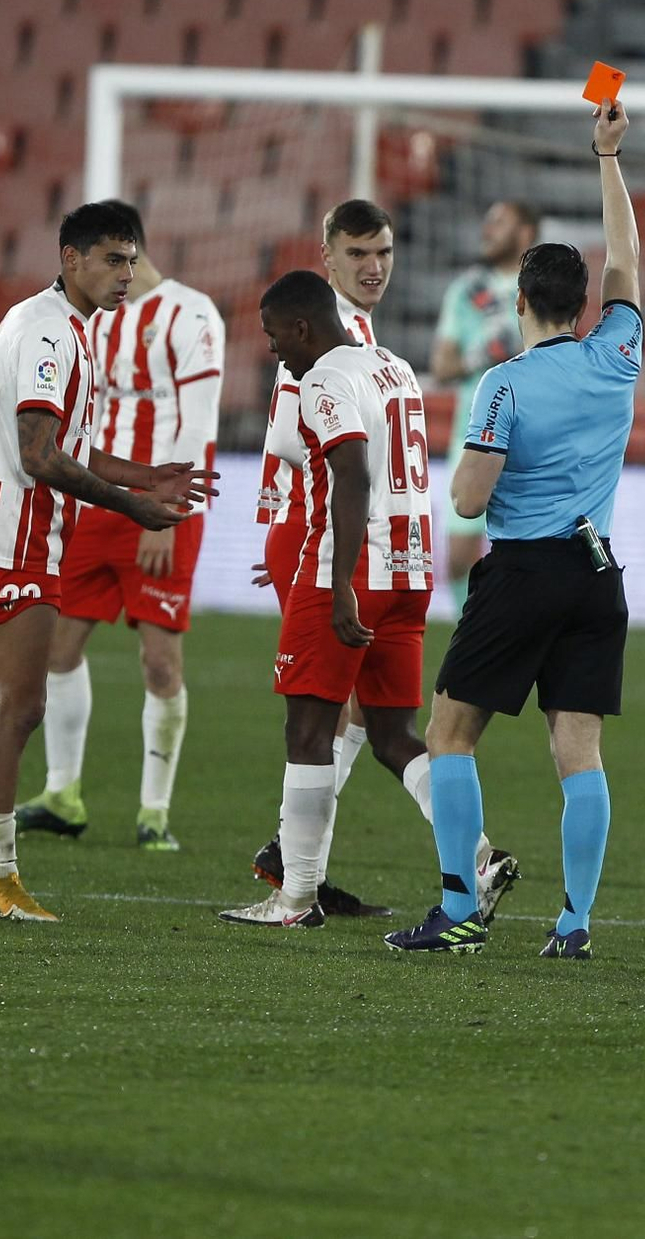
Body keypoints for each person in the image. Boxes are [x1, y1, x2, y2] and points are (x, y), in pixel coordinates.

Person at [385, 98, 643, 959]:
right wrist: (608, 158)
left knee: (449, 733)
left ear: (521, 299)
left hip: (525, 572)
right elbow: (628, 260)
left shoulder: (503, 384)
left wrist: (470, 465)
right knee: (580, 753)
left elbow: (467, 499)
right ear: (586, 303)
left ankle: (460, 908)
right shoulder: (618, 354)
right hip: (598, 575)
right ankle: (574, 924)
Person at [0, 204, 217, 922]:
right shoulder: (51, 332)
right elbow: (39, 456)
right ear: (70, 257)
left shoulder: (56, 323)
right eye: (112, 259)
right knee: (20, 706)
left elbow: (68, 445)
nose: (125, 275)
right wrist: (131, 505)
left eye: (131, 260)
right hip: (16, 536)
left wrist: (146, 475)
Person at [247, 202, 519, 924]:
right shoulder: (357, 343)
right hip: (372, 548)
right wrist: (287, 528)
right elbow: (303, 450)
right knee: (365, 718)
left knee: (334, 717)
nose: (374, 268)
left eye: (385, 253)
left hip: (345, 547)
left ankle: (295, 872)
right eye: (358, 253)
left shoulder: (326, 347)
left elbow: (308, 448)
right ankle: (460, 857)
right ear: (328, 257)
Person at [219, 269, 440, 929]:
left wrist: (340, 582)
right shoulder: (394, 366)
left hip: (345, 568)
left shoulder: (321, 379)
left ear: (302, 326)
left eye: (274, 335)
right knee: (395, 735)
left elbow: (351, 473)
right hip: (410, 568)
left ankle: (295, 898)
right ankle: (477, 861)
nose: (273, 350)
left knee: (308, 730)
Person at [15, 201, 225, 852]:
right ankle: (63, 793)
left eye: (119, 258)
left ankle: (153, 811)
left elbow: (198, 420)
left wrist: (169, 513)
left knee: (160, 661)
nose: (117, 273)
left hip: (160, 509)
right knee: (59, 646)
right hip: (96, 500)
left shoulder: (192, 314)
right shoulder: (91, 316)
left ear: (135, 250)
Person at [430, 201, 540, 615]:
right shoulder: (466, 290)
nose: (487, 229)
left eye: (499, 222)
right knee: (459, 558)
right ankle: (474, 631)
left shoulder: (543, 289)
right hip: (474, 432)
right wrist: (482, 354)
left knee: (530, 558)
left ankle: (518, 636)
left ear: (525, 233)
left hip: (530, 434)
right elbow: (442, 367)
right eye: (487, 221)